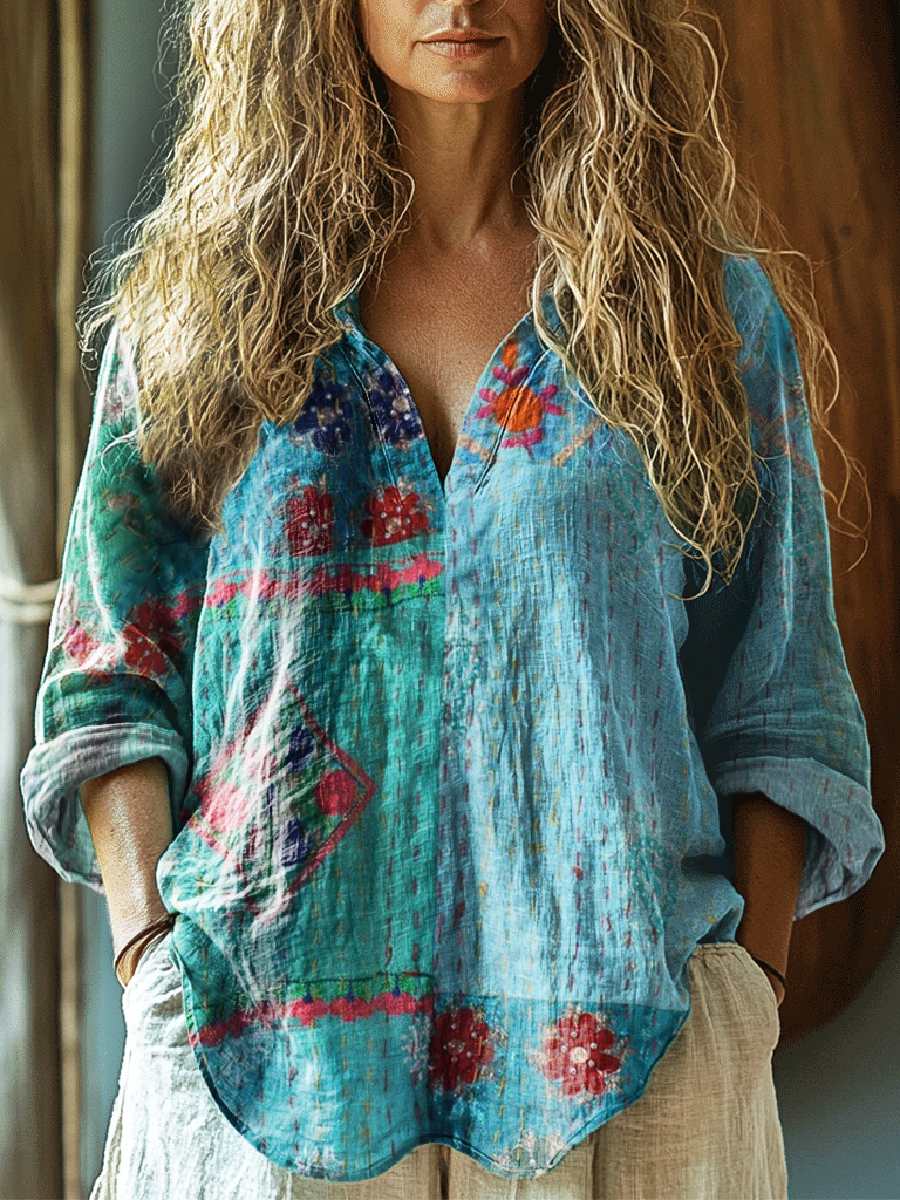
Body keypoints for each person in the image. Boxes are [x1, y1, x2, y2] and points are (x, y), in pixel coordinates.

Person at [20, 0, 885, 1196]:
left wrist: (751, 987)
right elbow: (110, 679)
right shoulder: (198, 315)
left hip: (633, 1068)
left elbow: (781, 694)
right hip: (255, 1059)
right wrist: (149, 964)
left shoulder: (696, 316)